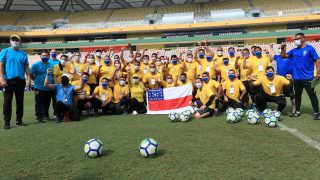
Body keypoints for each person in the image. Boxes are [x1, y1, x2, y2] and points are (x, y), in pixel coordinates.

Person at [281, 33, 320, 119]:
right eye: (294, 39)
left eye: (297, 39)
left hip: (308, 78)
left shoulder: (310, 49)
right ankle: (297, 111)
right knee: (297, 95)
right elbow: (284, 56)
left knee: (312, 95)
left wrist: (318, 73)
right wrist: (282, 48)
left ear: (303, 39)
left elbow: (317, 60)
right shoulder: (294, 50)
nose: (295, 41)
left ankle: (317, 113)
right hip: (296, 78)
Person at [0, 34, 31, 129]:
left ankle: (19, 120)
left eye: (16, 39)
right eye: (13, 39)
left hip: (20, 80)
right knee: (7, 102)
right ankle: (7, 122)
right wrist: (1, 78)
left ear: (20, 41)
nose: (15, 41)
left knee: (20, 102)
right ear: (10, 41)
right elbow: (1, 65)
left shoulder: (23, 53)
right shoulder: (5, 51)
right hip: (8, 80)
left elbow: (26, 67)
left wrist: (28, 78)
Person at [30, 50, 55, 122]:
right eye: (43, 55)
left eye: (46, 55)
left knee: (47, 102)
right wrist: (34, 80)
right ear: (40, 56)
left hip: (48, 87)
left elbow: (52, 75)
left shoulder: (51, 65)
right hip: (39, 87)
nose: (45, 57)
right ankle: (39, 116)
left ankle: (46, 115)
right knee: (39, 103)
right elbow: (31, 74)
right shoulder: (36, 65)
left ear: (49, 56)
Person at [271, 45, 295, 113]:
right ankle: (279, 108)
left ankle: (295, 108)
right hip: (279, 79)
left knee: (291, 95)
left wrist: (292, 76)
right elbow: (271, 56)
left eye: (281, 49)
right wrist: (270, 49)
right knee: (278, 94)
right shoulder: (277, 57)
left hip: (288, 78)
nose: (280, 50)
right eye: (279, 49)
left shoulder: (289, 57)